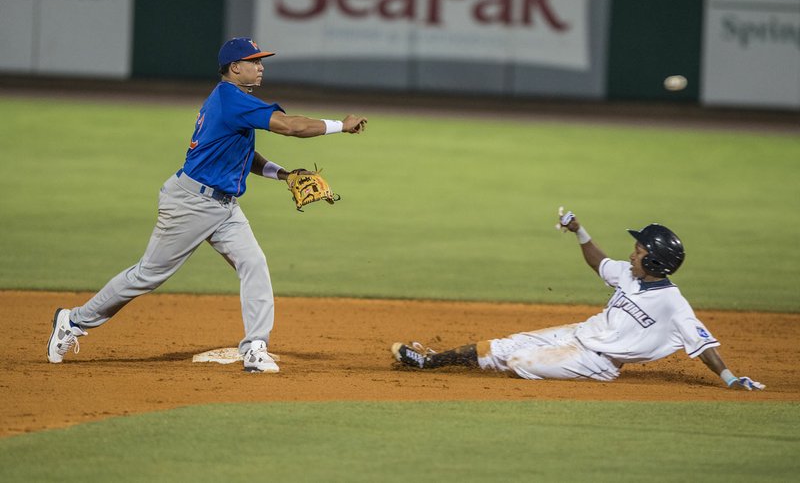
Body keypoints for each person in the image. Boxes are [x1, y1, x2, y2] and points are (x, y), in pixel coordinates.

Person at [47, 37, 368, 373]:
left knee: (253, 264)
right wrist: (340, 126)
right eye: (254, 61)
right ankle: (73, 321)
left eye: (261, 61)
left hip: (223, 206)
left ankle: (256, 349)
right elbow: (290, 126)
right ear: (235, 68)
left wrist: (284, 174)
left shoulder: (235, 101)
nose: (261, 67)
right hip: (191, 203)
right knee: (148, 275)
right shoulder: (232, 99)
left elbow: (244, 155)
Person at [391, 208, 765, 391]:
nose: (632, 254)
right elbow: (598, 262)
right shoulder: (630, 274)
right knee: (502, 344)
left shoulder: (673, 303)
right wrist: (579, 230)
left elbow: (703, 345)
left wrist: (730, 379)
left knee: (518, 359)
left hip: (596, 361)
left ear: (653, 260)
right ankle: (429, 362)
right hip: (577, 333)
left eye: (638, 250)